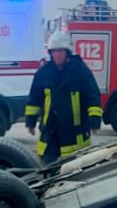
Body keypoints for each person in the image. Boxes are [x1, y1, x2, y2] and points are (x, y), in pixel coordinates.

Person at [24, 31, 102, 162]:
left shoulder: (80, 71)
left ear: (67, 52)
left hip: (73, 131)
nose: (58, 55)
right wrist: (30, 122)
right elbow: (34, 98)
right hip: (50, 130)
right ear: (50, 53)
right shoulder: (44, 72)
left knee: (74, 169)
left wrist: (95, 121)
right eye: (54, 51)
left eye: (61, 51)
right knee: (48, 169)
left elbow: (92, 96)